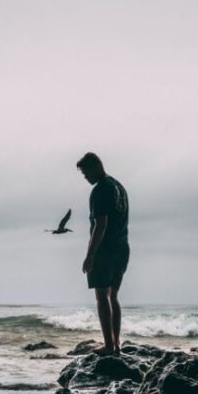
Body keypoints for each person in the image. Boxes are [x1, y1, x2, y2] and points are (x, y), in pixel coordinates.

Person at [76, 152, 129, 355]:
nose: (86, 178)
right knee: (113, 296)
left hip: (104, 249)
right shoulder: (119, 187)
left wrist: (90, 255)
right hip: (122, 247)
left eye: (86, 173)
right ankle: (116, 344)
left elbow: (100, 224)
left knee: (101, 296)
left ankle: (108, 346)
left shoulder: (100, 190)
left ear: (96, 166)